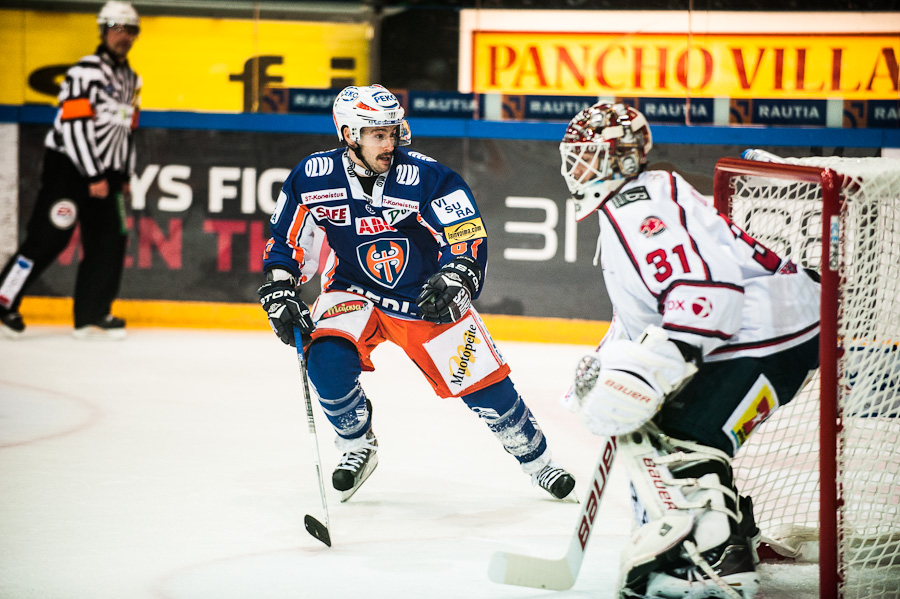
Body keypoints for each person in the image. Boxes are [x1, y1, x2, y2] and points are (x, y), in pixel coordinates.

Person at [257, 84, 576, 503]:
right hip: (352, 289)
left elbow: (466, 235)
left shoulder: (427, 177)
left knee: (486, 387)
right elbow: (286, 240)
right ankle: (357, 446)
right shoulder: (313, 176)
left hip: (425, 297)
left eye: (392, 132)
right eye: (377, 135)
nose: (389, 143)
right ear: (349, 134)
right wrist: (280, 287)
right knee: (325, 360)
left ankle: (539, 462)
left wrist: (458, 275)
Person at [557, 103, 820, 598]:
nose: (579, 168)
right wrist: (611, 371)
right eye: (575, 156)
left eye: (591, 156)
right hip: (759, 330)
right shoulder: (630, 203)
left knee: (685, 439)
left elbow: (709, 291)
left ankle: (717, 564)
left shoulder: (641, 204)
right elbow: (645, 313)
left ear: (626, 157)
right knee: (656, 429)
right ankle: (712, 537)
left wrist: (660, 362)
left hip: (773, 328)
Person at [0, 1, 141, 340]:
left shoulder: (131, 79)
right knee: (48, 237)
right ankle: (4, 299)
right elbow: (75, 126)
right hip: (70, 168)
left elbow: (127, 130)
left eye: (130, 30)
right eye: (117, 28)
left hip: (107, 175)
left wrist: (121, 176)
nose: (124, 36)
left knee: (111, 239)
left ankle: (91, 313)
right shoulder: (84, 72)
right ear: (103, 30)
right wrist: (93, 175)